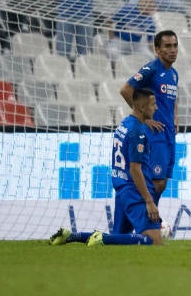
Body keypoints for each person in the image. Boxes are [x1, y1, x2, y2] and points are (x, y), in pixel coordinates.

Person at [49, 88, 164, 246]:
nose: (156, 108)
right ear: (142, 107)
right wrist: (149, 201)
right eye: (153, 104)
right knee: (154, 240)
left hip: (122, 188)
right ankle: (101, 238)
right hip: (135, 191)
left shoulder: (125, 124)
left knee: (118, 238)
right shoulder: (137, 131)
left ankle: (72, 236)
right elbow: (135, 169)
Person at [119, 29, 179, 204]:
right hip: (155, 135)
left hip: (168, 135)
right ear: (157, 50)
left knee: (162, 184)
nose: (172, 50)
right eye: (167, 46)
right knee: (155, 182)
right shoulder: (150, 69)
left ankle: (152, 221)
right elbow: (125, 90)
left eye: (175, 46)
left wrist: (176, 117)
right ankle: (147, 223)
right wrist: (145, 119)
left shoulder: (174, 74)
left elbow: (173, 98)